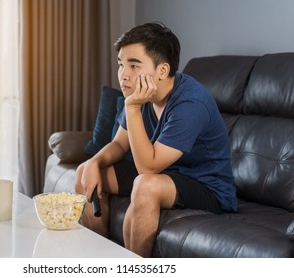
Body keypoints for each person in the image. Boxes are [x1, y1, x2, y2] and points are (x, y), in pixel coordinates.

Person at [75, 22, 237, 257]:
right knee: (84, 172)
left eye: (134, 65)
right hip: (165, 173)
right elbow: (120, 144)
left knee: (146, 185)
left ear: (162, 70)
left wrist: (132, 108)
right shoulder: (140, 94)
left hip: (205, 187)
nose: (123, 75)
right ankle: (101, 259)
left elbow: (147, 168)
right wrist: (93, 163)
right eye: (121, 64)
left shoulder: (190, 103)